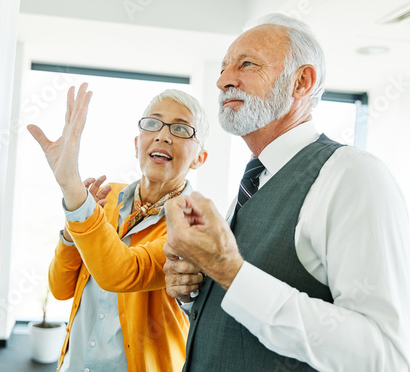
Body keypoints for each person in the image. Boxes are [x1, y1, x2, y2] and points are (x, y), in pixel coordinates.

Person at [162, 13, 410, 372]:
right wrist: (195, 292)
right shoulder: (254, 182)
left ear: (301, 82)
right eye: (223, 67)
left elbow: (386, 356)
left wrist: (229, 270)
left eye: (246, 64)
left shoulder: (352, 175)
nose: (223, 80)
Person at [27, 83, 209, 372]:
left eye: (181, 129)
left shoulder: (194, 225)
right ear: (137, 144)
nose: (163, 135)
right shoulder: (106, 198)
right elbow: (60, 289)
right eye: (153, 124)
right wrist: (72, 230)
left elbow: (122, 272)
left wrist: (72, 190)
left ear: (200, 158)